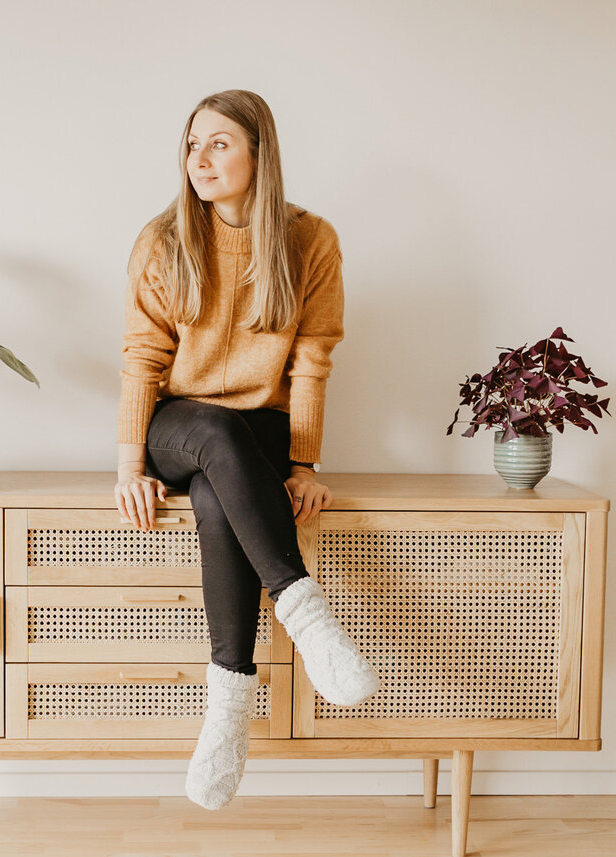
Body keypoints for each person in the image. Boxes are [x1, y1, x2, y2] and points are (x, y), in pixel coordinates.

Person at [114, 90, 380, 811]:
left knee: (216, 489)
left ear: (261, 151)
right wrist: (128, 467)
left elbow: (312, 360)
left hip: (255, 432)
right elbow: (142, 357)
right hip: (178, 425)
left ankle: (227, 709)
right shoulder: (164, 240)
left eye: (220, 143)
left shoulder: (310, 240)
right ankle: (311, 621)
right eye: (192, 143)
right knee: (214, 438)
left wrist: (304, 463)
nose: (199, 158)